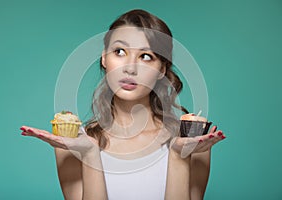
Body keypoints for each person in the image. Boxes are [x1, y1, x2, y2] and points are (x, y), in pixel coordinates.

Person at [20, 9, 226, 200]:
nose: (130, 68)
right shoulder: (74, 144)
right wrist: (90, 155)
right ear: (104, 58)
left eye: (146, 56)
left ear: (162, 69)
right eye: (119, 52)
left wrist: (178, 156)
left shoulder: (192, 142)